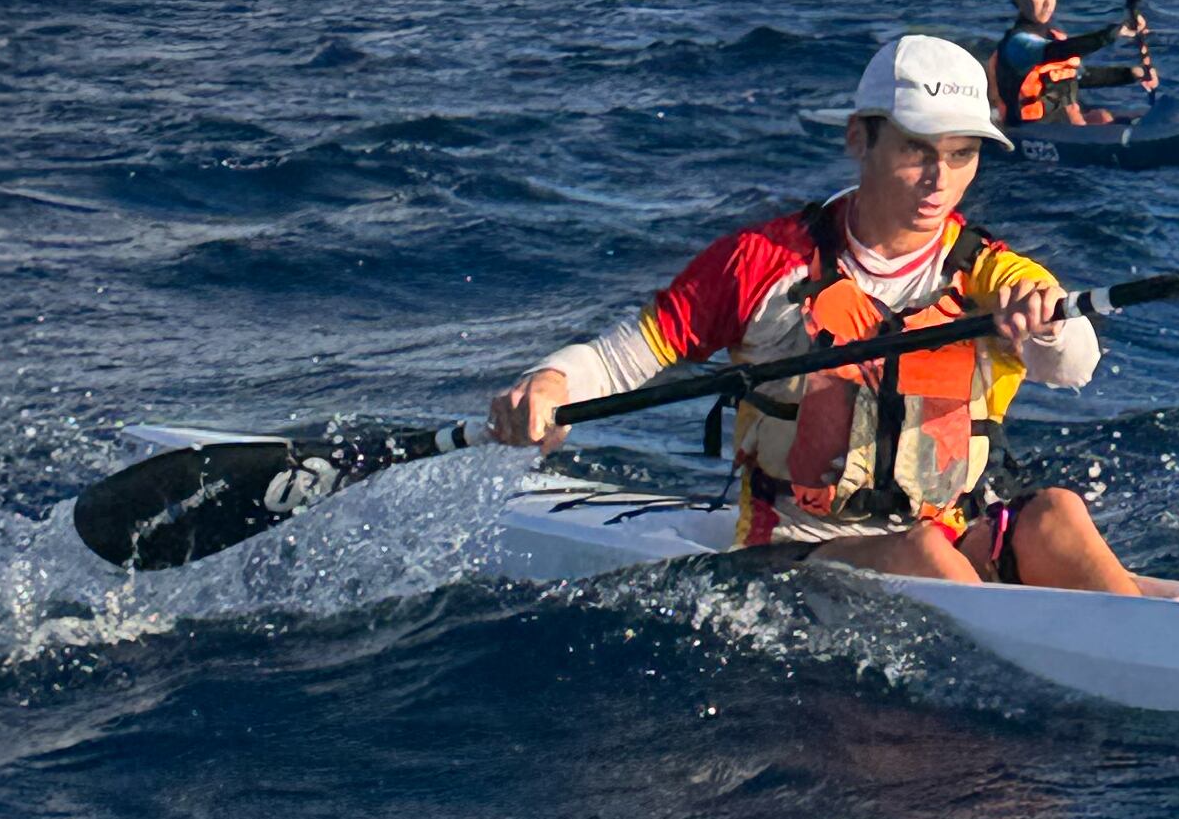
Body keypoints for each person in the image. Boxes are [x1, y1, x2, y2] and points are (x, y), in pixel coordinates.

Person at [483, 35, 1144, 593]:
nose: (939, 181)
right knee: (921, 555)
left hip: (951, 534)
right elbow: (618, 359)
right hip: (798, 555)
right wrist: (549, 386)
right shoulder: (760, 261)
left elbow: (1074, 365)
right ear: (860, 138)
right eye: (917, 150)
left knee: (1055, 513)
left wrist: (1048, 324)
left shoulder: (994, 273)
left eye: (961, 155)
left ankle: (1148, 656)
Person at [987, 0, 1156, 126]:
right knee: (1086, 120)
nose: (1047, 3)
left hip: (1066, 125)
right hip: (1032, 132)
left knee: (1105, 117)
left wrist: (1132, 74)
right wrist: (1111, 34)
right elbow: (1056, 51)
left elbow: (1079, 77)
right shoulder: (1018, 43)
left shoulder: (1055, 36)